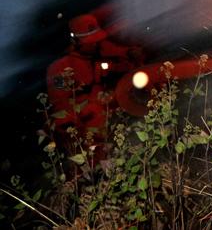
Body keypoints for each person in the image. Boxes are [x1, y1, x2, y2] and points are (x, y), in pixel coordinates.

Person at [46, 13, 143, 159]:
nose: (94, 44)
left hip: (108, 116)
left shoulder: (97, 55)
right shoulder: (59, 68)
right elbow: (60, 106)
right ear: (76, 41)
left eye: (96, 40)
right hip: (85, 128)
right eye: (90, 41)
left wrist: (130, 54)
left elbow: (117, 54)